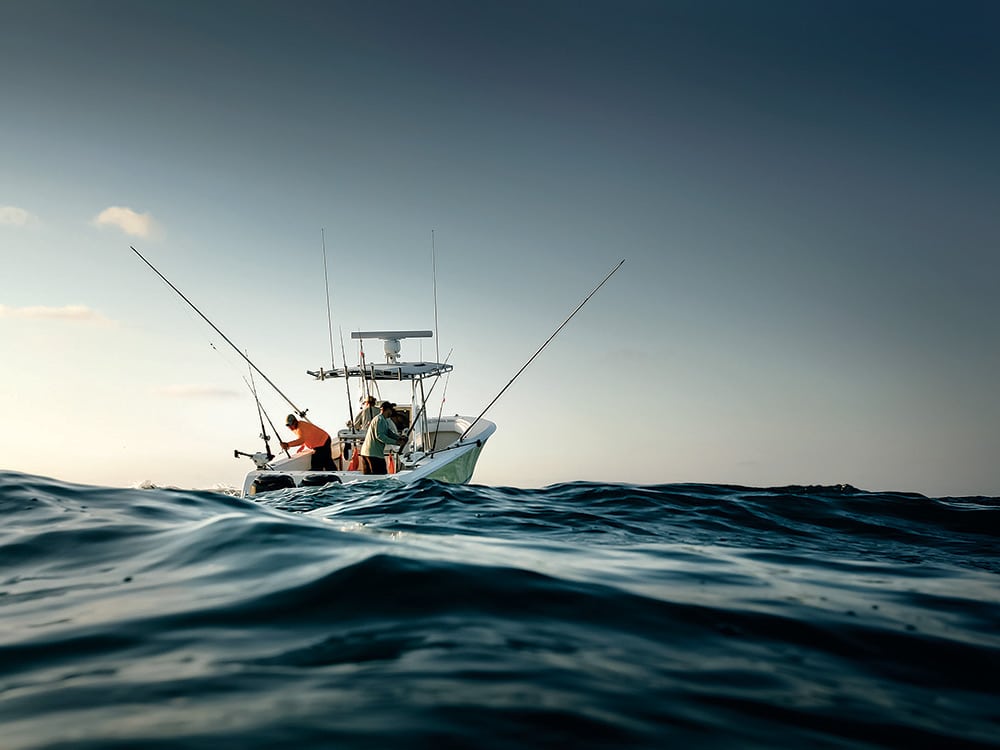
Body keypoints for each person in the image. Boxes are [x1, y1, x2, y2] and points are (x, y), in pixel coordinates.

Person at [359, 401, 406, 475]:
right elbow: (380, 436)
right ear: (386, 410)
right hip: (374, 455)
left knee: (369, 478)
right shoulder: (380, 419)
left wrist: (399, 438)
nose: (392, 412)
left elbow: (388, 433)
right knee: (380, 477)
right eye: (391, 410)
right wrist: (396, 443)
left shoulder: (382, 420)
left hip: (366, 453)